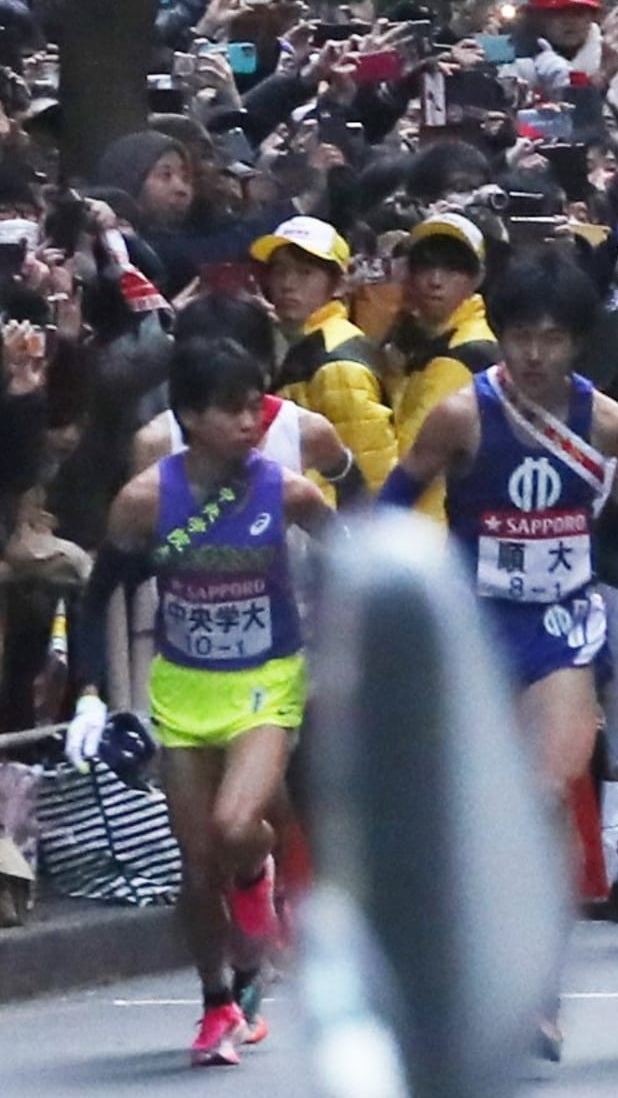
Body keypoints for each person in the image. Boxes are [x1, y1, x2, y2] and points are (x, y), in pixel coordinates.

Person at [374, 248, 618, 1061]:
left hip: (563, 625)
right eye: (520, 335)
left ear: (579, 342)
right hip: (476, 628)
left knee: (549, 792)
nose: (534, 354)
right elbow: (394, 500)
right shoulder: (462, 415)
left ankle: (540, 986)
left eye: (552, 338)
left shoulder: (610, 422)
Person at [71, 339, 332, 1066]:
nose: (251, 421)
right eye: (231, 409)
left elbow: (351, 560)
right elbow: (98, 599)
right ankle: (220, 1000)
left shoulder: (287, 491)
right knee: (195, 865)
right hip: (184, 690)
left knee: (235, 823)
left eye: (256, 405)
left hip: (268, 684)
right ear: (189, 416)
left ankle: (258, 870)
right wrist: (91, 694)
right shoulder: (147, 500)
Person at [251, 217, 399, 493]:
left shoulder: (338, 364)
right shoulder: (301, 342)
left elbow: (370, 471)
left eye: (305, 273)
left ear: (340, 284)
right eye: (280, 270)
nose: (287, 284)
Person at [383, 213, 497, 503]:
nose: (435, 281)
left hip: (434, 522)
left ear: (477, 277)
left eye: (452, 269)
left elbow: (411, 455)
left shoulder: (460, 354)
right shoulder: (427, 338)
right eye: (426, 266)